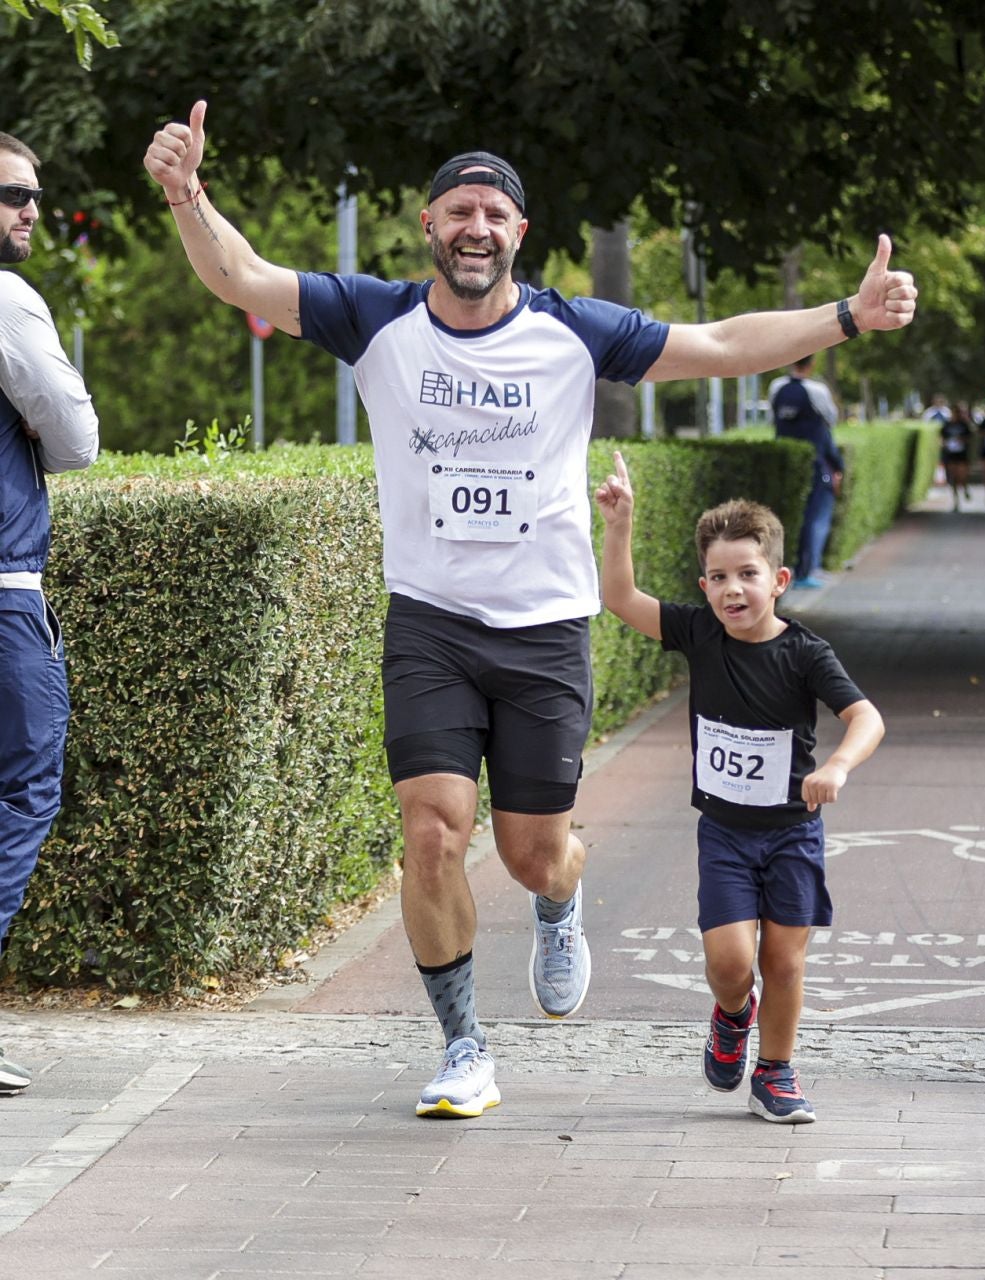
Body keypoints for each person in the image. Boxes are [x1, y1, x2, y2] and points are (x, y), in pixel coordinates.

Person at [143, 101, 914, 1118]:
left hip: (545, 626)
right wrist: (188, 193)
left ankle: (563, 892)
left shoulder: (572, 330)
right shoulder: (375, 317)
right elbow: (240, 276)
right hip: (431, 619)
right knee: (431, 829)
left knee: (527, 849)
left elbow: (720, 341)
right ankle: (463, 1044)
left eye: (494, 213)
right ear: (428, 226)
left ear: (519, 233)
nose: (476, 226)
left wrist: (844, 317)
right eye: (458, 209)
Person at [596, 463, 884, 1122]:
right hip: (724, 833)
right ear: (704, 586)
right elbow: (621, 598)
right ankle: (732, 1017)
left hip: (792, 830)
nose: (733, 590)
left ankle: (776, 1073)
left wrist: (836, 767)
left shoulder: (807, 654)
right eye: (719, 578)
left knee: (783, 960)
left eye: (748, 575)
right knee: (731, 965)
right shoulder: (699, 634)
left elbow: (867, 718)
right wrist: (620, 525)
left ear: (778, 581)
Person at [0, 132, 100, 1095]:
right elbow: (75, 438)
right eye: (12, 194)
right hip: (3, 599)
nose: (31, 209)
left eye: (35, 193)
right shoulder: (4, 298)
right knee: (23, 797)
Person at [769, 354, 844, 587]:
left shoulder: (776, 388)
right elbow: (830, 423)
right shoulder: (817, 391)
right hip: (816, 462)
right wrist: (838, 465)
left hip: (785, 461)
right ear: (811, 364)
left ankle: (788, 567)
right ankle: (808, 569)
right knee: (817, 517)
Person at [937, 398, 972, 509]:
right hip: (950, 453)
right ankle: (956, 501)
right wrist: (944, 444)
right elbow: (941, 438)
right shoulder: (946, 425)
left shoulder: (964, 425)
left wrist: (961, 440)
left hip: (961, 453)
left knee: (962, 476)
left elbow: (969, 438)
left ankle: (965, 487)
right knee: (953, 477)